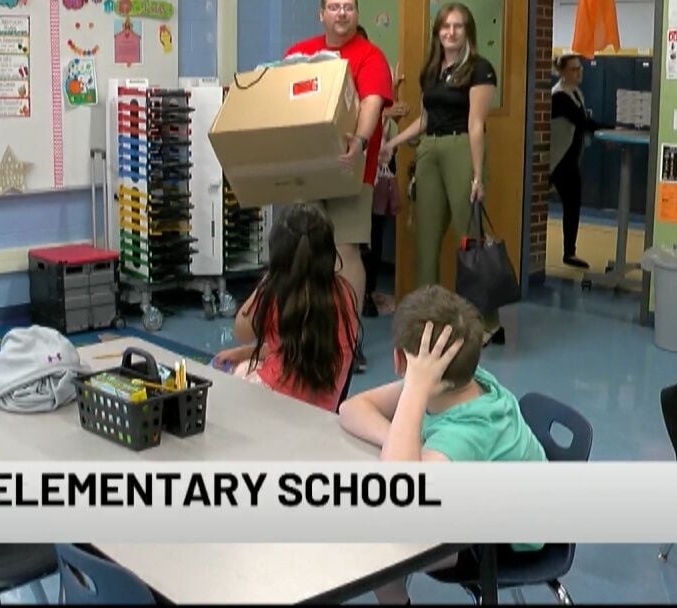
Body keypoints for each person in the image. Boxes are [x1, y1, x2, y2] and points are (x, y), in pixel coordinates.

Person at [337, 285, 546, 604]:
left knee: (381, 535)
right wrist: (396, 437)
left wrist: (415, 392)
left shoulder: (466, 432)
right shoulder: (457, 381)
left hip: (504, 543)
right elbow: (351, 409)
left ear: (398, 361)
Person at [381, 2, 505, 345]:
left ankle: (486, 323)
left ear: (468, 32)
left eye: (459, 26)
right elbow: (424, 119)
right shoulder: (432, 69)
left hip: (462, 149)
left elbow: (476, 123)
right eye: (445, 26)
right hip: (429, 151)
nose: (451, 32)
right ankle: (426, 322)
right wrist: (393, 145)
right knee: (426, 240)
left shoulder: (481, 69)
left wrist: (478, 176)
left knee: (470, 240)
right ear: (438, 32)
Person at [284, 0, 395, 318]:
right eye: (334, 7)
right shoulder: (299, 54)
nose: (341, 13)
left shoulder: (370, 56)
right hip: (307, 168)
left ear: (357, 13)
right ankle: (306, 327)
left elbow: (372, 102)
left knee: (345, 249)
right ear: (322, 14)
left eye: (348, 7)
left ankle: (349, 333)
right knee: (304, 248)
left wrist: (359, 140)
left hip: (352, 169)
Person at [212, 204, 359, 413]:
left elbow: (241, 331)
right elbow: (300, 347)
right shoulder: (345, 296)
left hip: (278, 407)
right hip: (323, 411)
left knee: (229, 378)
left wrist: (269, 279)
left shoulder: (275, 293)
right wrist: (246, 352)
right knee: (244, 363)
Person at [362, 54, 409, 319]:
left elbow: (389, 134)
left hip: (377, 175)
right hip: (353, 174)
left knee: (374, 236)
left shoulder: (378, 86)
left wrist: (389, 112)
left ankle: (367, 293)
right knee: (358, 240)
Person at [550, 53, 606, 269]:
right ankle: (568, 252)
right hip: (559, 160)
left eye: (580, 68)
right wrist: (609, 128)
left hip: (570, 158)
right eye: (573, 69)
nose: (578, 72)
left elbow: (584, 123)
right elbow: (582, 121)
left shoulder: (575, 93)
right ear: (562, 73)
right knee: (571, 203)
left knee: (573, 204)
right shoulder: (560, 96)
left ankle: (569, 251)